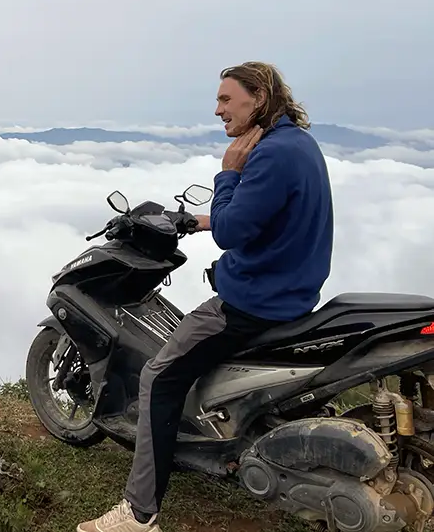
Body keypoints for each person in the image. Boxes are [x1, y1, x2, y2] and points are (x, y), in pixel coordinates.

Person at [76, 61, 334, 532]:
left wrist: (227, 175)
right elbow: (266, 213)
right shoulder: (296, 143)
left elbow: (234, 232)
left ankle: (139, 513)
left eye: (225, 99)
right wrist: (198, 219)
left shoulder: (267, 153)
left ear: (258, 97)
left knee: (159, 375)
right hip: (292, 291)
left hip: (252, 301)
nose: (217, 110)